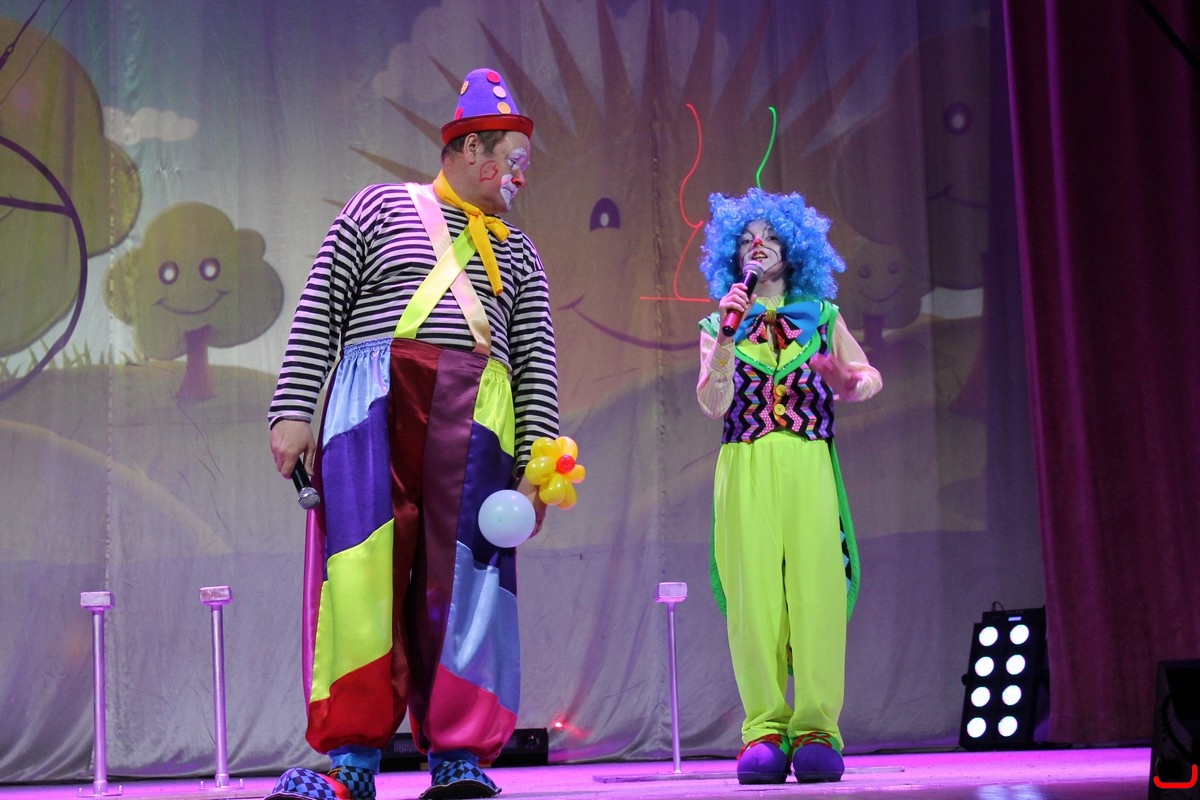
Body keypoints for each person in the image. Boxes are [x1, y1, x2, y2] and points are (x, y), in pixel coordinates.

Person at [265, 68, 558, 800]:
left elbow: (536, 366)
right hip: (373, 411)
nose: (521, 176)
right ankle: (352, 761)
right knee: (361, 573)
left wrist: (537, 467)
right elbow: (321, 307)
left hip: (478, 423)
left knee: (467, 584)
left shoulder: (520, 254)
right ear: (469, 148)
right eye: (513, 159)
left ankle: (458, 754)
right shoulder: (377, 209)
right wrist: (294, 408)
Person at [695, 187, 881, 785]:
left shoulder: (822, 317)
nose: (759, 246)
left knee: (816, 591)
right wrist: (728, 338)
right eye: (748, 240)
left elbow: (867, 375)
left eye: (771, 237)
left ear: (793, 248)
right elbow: (712, 402)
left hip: (807, 462)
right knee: (753, 598)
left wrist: (850, 384)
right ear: (733, 254)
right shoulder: (717, 324)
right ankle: (765, 729)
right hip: (744, 463)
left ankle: (818, 728)